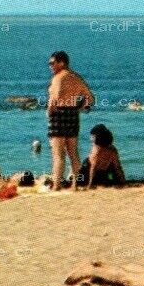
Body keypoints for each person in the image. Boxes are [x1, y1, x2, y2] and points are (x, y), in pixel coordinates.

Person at [46, 51, 95, 190]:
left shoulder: (58, 78)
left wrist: (49, 112)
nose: (50, 66)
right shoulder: (76, 78)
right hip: (72, 114)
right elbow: (90, 98)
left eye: (52, 63)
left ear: (62, 63)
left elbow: (54, 98)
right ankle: (76, 185)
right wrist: (79, 108)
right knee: (73, 153)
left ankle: (56, 186)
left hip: (58, 115)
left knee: (58, 154)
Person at [79, 124, 127, 189]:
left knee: (82, 172)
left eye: (92, 137)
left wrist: (89, 185)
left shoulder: (97, 150)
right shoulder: (112, 150)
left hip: (93, 171)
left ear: (98, 137)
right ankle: (120, 182)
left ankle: (78, 181)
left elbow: (93, 168)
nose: (90, 139)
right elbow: (118, 167)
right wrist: (124, 182)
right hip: (98, 171)